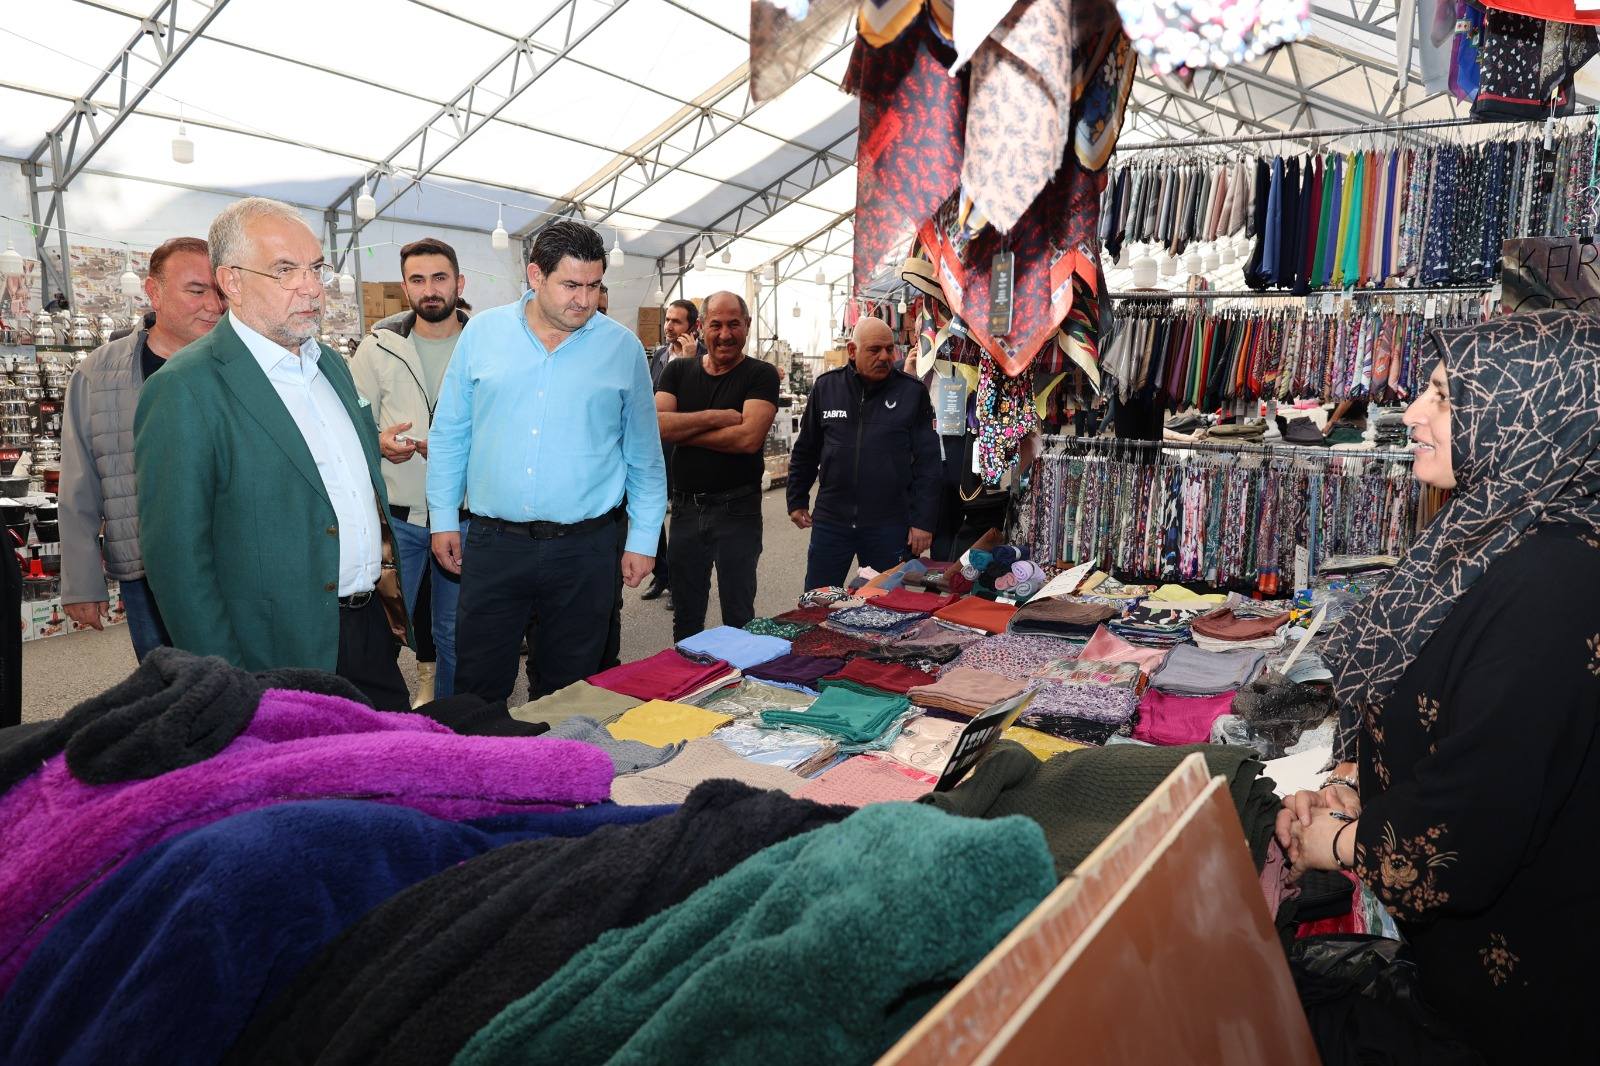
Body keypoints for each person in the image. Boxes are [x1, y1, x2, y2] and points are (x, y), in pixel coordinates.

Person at [1276, 310, 1600, 1063]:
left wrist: (1337, 844)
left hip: (1512, 1017)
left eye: (1446, 397)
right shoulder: (1502, 536)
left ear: (1527, 416)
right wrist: (1357, 787)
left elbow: (1468, 828)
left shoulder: (1552, 587)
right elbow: (1458, 729)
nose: (1414, 413)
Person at [134, 197, 411, 709]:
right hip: (272, 652)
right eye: (285, 270)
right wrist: (225, 683)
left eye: (315, 268)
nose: (311, 287)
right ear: (232, 281)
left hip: (368, 631)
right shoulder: (185, 387)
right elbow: (178, 562)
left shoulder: (329, 364)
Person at [427, 220, 664, 703]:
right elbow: (451, 432)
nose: (585, 300)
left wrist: (643, 540)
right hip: (494, 544)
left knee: (570, 692)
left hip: (585, 550)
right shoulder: (483, 334)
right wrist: (443, 517)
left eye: (594, 286)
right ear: (535, 275)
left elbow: (644, 455)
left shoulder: (622, 349)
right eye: (571, 285)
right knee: (478, 685)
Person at [60, 237, 223, 661]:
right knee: (166, 682)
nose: (213, 305)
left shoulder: (242, 365)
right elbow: (79, 484)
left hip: (233, 563)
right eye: (196, 290)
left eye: (219, 291)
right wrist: (81, 582)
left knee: (244, 684)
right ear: (154, 292)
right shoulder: (99, 373)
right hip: (146, 568)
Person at [350, 237, 468, 704]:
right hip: (399, 521)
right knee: (382, 630)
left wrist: (461, 450)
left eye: (440, 278)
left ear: (460, 283)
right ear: (405, 287)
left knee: (455, 630)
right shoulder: (378, 348)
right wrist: (378, 442)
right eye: (418, 280)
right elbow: (353, 422)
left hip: (467, 516)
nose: (430, 289)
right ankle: (386, 721)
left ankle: (451, 718)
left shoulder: (486, 345)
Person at [655, 291, 778, 641]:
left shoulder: (761, 375)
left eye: (734, 324)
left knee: (738, 618)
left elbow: (748, 439)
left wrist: (685, 430)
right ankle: (686, 676)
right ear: (701, 327)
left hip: (737, 510)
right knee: (686, 618)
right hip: (685, 510)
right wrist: (717, 417)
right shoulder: (678, 370)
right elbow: (657, 425)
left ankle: (737, 676)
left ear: (748, 325)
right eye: (716, 325)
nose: (725, 334)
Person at [787, 316, 940, 591]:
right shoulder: (826, 387)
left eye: (889, 349)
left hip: (889, 525)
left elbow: (928, 464)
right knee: (818, 601)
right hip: (832, 521)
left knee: (885, 604)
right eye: (874, 350)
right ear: (852, 350)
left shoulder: (912, 393)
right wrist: (796, 498)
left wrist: (923, 521)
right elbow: (806, 449)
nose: (884, 356)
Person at [640, 298, 705, 602]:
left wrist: (689, 362)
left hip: (688, 447)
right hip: (657, 445)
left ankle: (683, 582)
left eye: (676, 321)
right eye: (667, 319)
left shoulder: (705, 357)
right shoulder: (659, 355)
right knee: (652, 510)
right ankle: (662, 574)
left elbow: (699, 404)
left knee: (685, 517)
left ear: (694, 326)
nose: (668, 326)